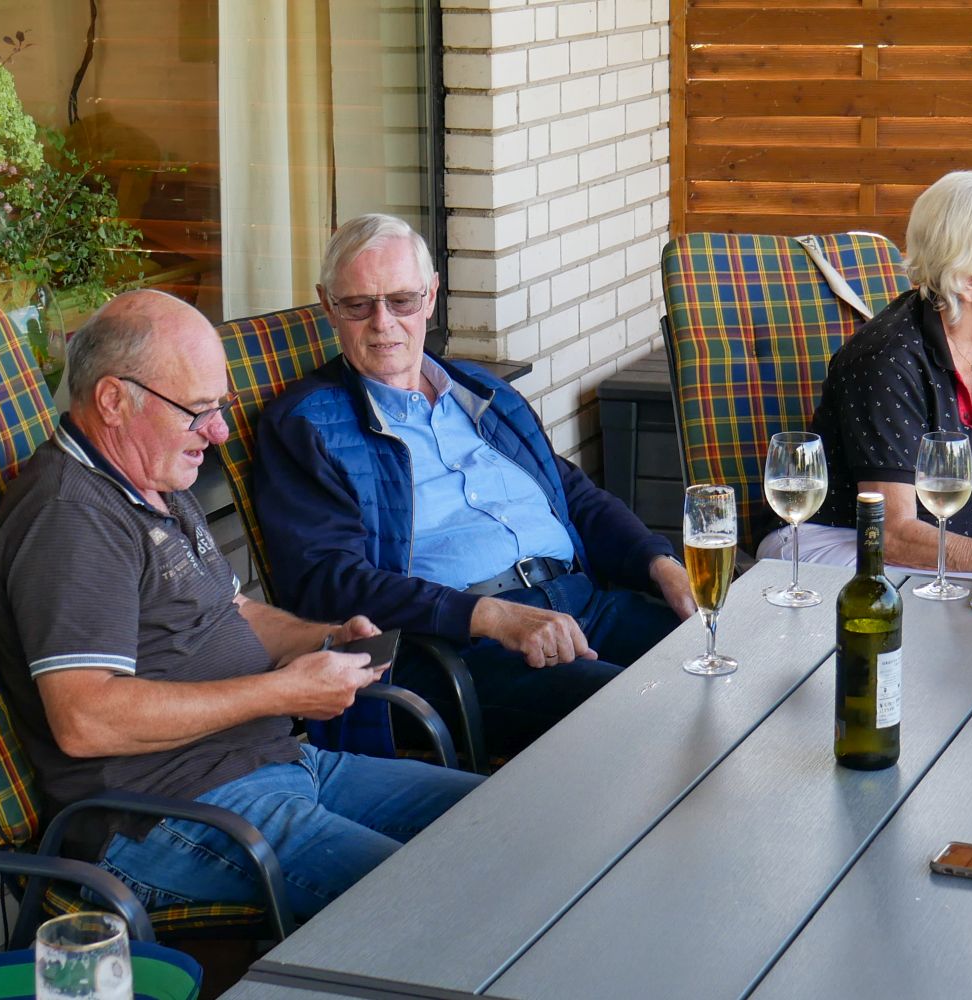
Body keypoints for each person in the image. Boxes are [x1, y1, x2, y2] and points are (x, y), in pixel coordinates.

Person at [0, 290, 482, 920]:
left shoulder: (153, 478)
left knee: (499, 819)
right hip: (167, 812)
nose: (217, 432)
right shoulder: (71, 518)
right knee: (437, 903)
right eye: (197, 410)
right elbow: (85, 719)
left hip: (280, 762)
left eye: (218, 407)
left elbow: (232, 611)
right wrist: (281, 693)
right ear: (113, 401)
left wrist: (323, 639)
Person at [253, 214, 695, 757]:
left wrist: (659, 563)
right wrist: (488, 616)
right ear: (328, 305)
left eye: (402, 301)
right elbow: (329, 581)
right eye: (358, 305)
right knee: (648, 713)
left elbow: (570, 494)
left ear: (431, 296)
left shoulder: (482, 392)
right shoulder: (306, 427)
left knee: (726, 658)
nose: (383, 323)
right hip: (461, 648)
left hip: (583, 602)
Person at [763, 171, 972, 586]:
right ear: (969, 281)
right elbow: (892, 535)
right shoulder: (887, 360)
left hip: (935, 546)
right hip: (834, 544)